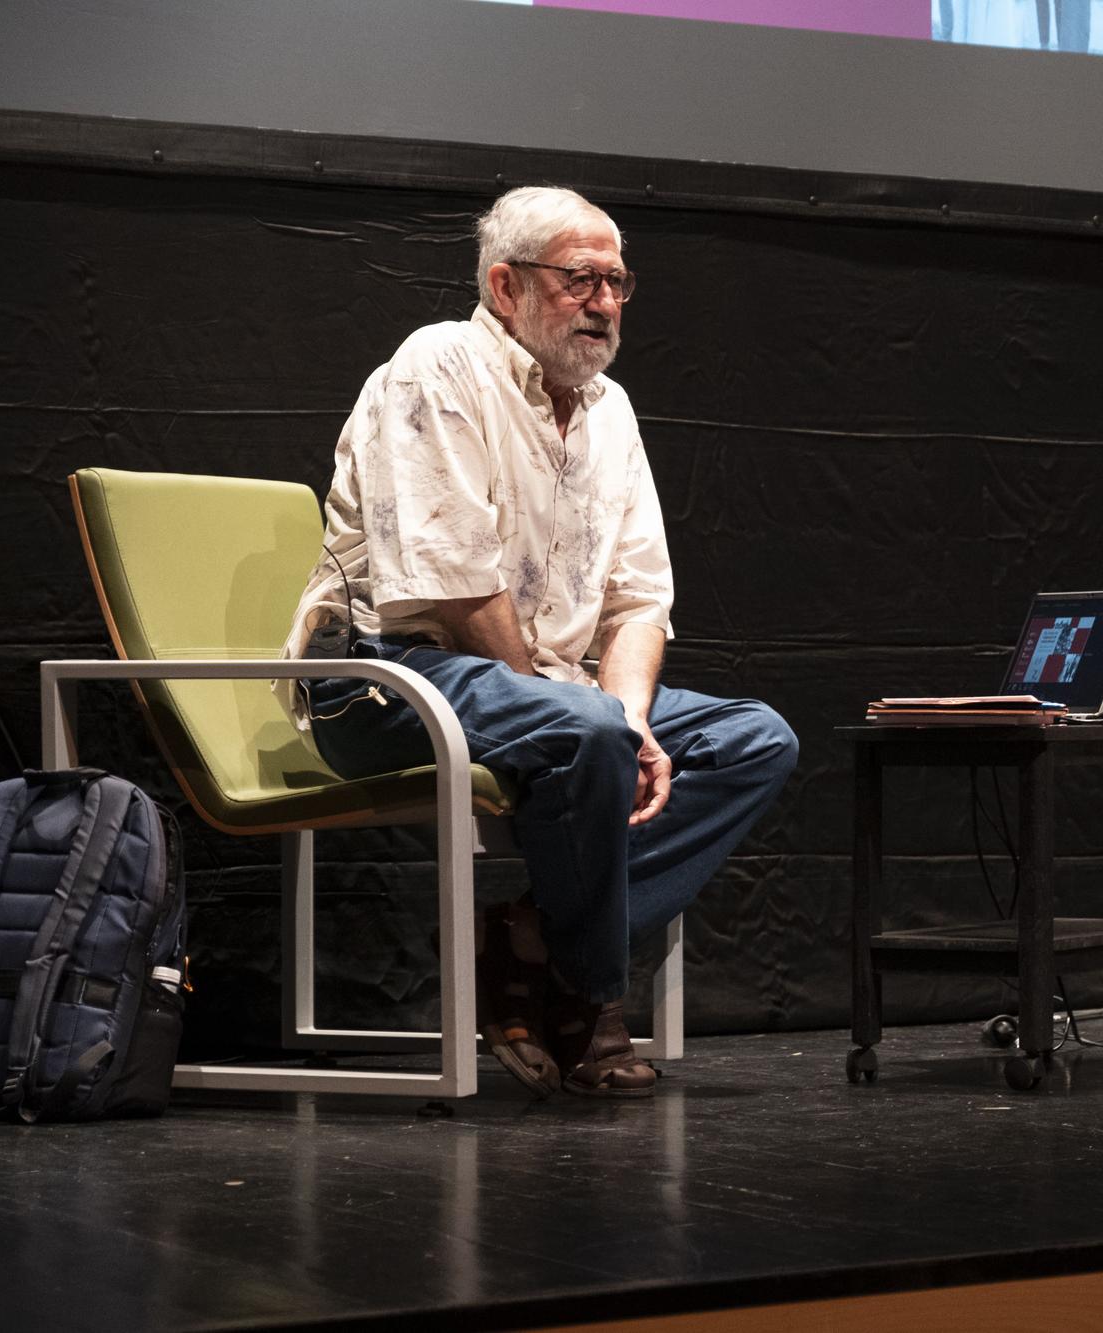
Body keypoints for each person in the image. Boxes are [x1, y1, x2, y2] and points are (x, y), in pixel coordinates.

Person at [279, 186, 798, 1098]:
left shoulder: (612, 410)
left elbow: (638, 601)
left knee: (753, 738)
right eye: (580, 280)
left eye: (617, 282)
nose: (604, 302)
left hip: (544, 684)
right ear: (506, 283)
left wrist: (630, 719)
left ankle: (529, 931)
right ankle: (592, 993)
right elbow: (459, 588)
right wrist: (587, 712)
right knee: (585, 731)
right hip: (387, 678)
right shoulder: (435, 366)